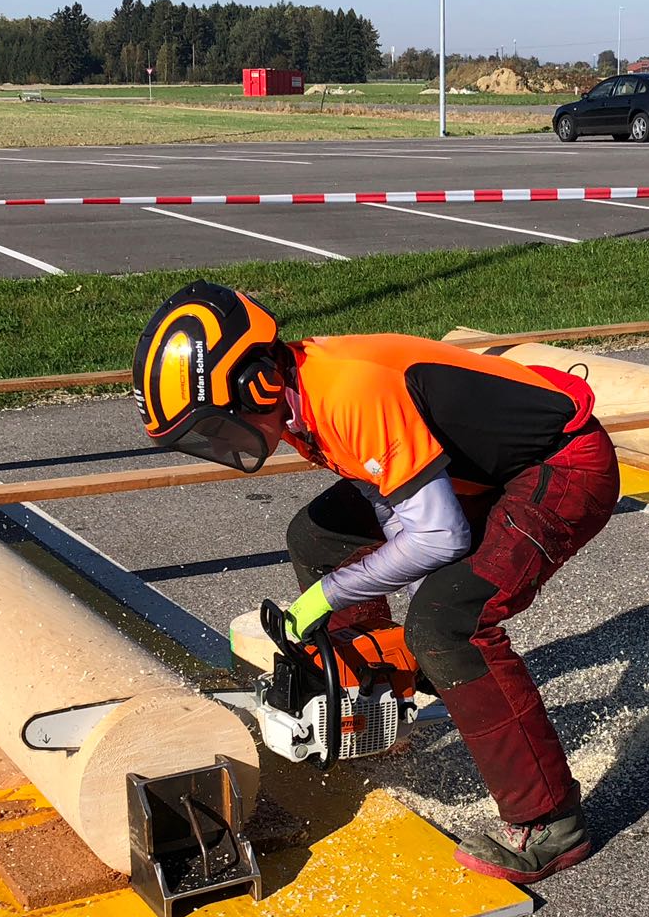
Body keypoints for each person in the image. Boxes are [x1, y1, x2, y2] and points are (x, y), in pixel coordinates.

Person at [134, 281, 620, 883]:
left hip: (561, 466)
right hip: (473, 471)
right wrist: (376, 592)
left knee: (448, 625)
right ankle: (372, 703)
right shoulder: (298, 398)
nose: (219, 442)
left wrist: (332, 596)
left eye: (217, 426)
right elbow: (386, 495)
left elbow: (439, 537)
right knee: (318, 538)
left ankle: (549, 822)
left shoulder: (347, 392)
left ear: (256, 382)